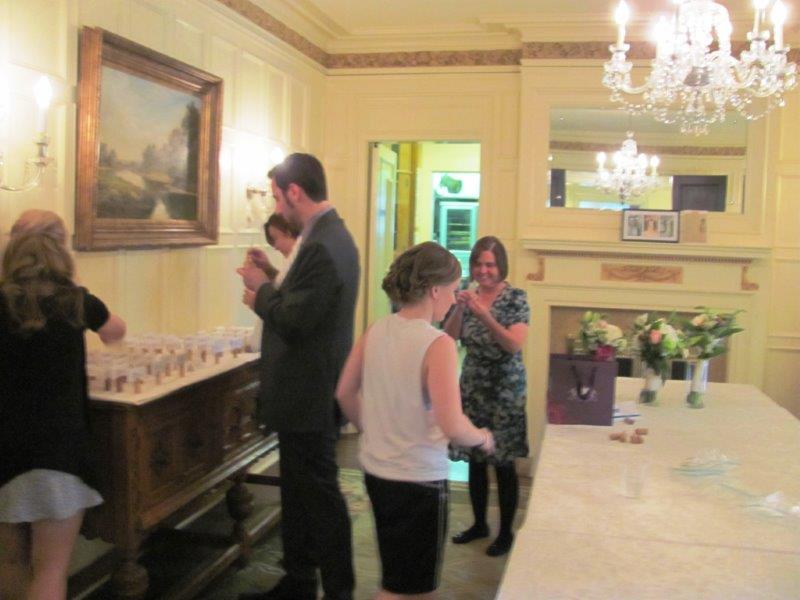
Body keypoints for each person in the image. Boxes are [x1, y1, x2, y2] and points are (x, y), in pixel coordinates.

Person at [336, 242, 495, 600]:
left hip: (378, 472)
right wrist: (483, 438)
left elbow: (345, 392)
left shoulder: (377, 329)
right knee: (415, 590)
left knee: (395, 579)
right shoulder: (437, 344)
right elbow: (453, 425)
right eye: (453, 290)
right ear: (435, 290)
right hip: (418, 480)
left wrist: (375, 431)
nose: (453, 300)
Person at [237, 153, 358, 600]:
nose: (276, 207)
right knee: (301, 495)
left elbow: (295, 320)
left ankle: (338, 590)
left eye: (276, 197)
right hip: (308, 391)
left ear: (294, 192)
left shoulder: (323, 244)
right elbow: (305, 298)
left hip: (309, 392)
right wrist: (271, 277)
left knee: (320, 499)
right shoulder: (327, 236)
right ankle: (300, 580)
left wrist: (260, 292)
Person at [0, 211, 126, 600]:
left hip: (5, 447)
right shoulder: (75, 301)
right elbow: (116, 331)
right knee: (50, 569)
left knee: (10, 564)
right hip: (58, 449)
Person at [444, 236, 530, 557]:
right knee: (476, 460)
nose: (484, 271)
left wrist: (485, 316)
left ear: (501, 266)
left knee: (503, 462)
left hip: (506, 387)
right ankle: (479, 523)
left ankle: (506, 532)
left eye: (490, 264)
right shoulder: (468, 294)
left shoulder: (516, 298)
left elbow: (513, 344)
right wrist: (459, 308)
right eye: (479, 264)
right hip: (474, 384)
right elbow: (449, 336)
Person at [252, 213, 301, 281]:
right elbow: (286, 283)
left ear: (288, 233)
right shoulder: (298, 261)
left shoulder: (306, 262)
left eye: (275, 238)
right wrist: (267, 268)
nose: (276, 247)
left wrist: (260, 285)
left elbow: (292, 286)